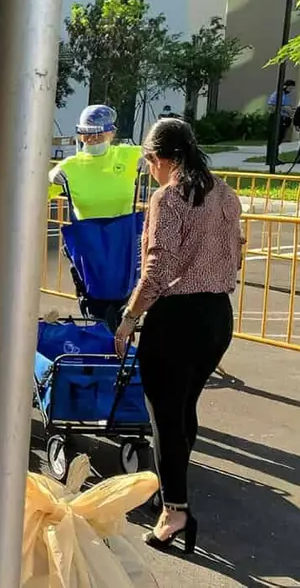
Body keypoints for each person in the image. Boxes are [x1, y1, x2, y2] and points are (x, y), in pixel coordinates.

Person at [113, 118, 242, 556]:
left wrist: (129, 317)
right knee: (184, 408)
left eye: (149, 160)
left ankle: (175, 510)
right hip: (216, 316)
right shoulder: (224, 192)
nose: (149, 168)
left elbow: (158, 269)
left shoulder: (168, 197)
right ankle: (173, 492)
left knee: (164, 417)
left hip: (177, 318)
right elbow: (235, 251)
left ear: (160, 158)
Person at [48, 104, 143, 329]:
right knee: (97, 311)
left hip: (123, 245)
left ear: (112, 133)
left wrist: (152, 161)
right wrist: (49, 177)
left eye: (98, 135)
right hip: (90, 249)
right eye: (86, 135)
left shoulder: (128, 155)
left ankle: (120, 353)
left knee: (125, 309)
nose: (91, 140)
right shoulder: (70, 167)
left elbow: (169, 158)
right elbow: (34, 195)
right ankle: (102, 349)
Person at [268, 79, 296, 148]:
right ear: (285, 86)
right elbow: (271, 106)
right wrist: (284, 108)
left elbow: (287, 106)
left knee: (280, 137)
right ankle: (272, 153)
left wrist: (292, 109)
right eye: (290, 88)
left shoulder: (286, 96)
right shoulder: (277, 94)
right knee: (275, 138)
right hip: (277, 118)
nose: (291, 90)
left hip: (285, 119)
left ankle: (275, 153)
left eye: (292, 88)